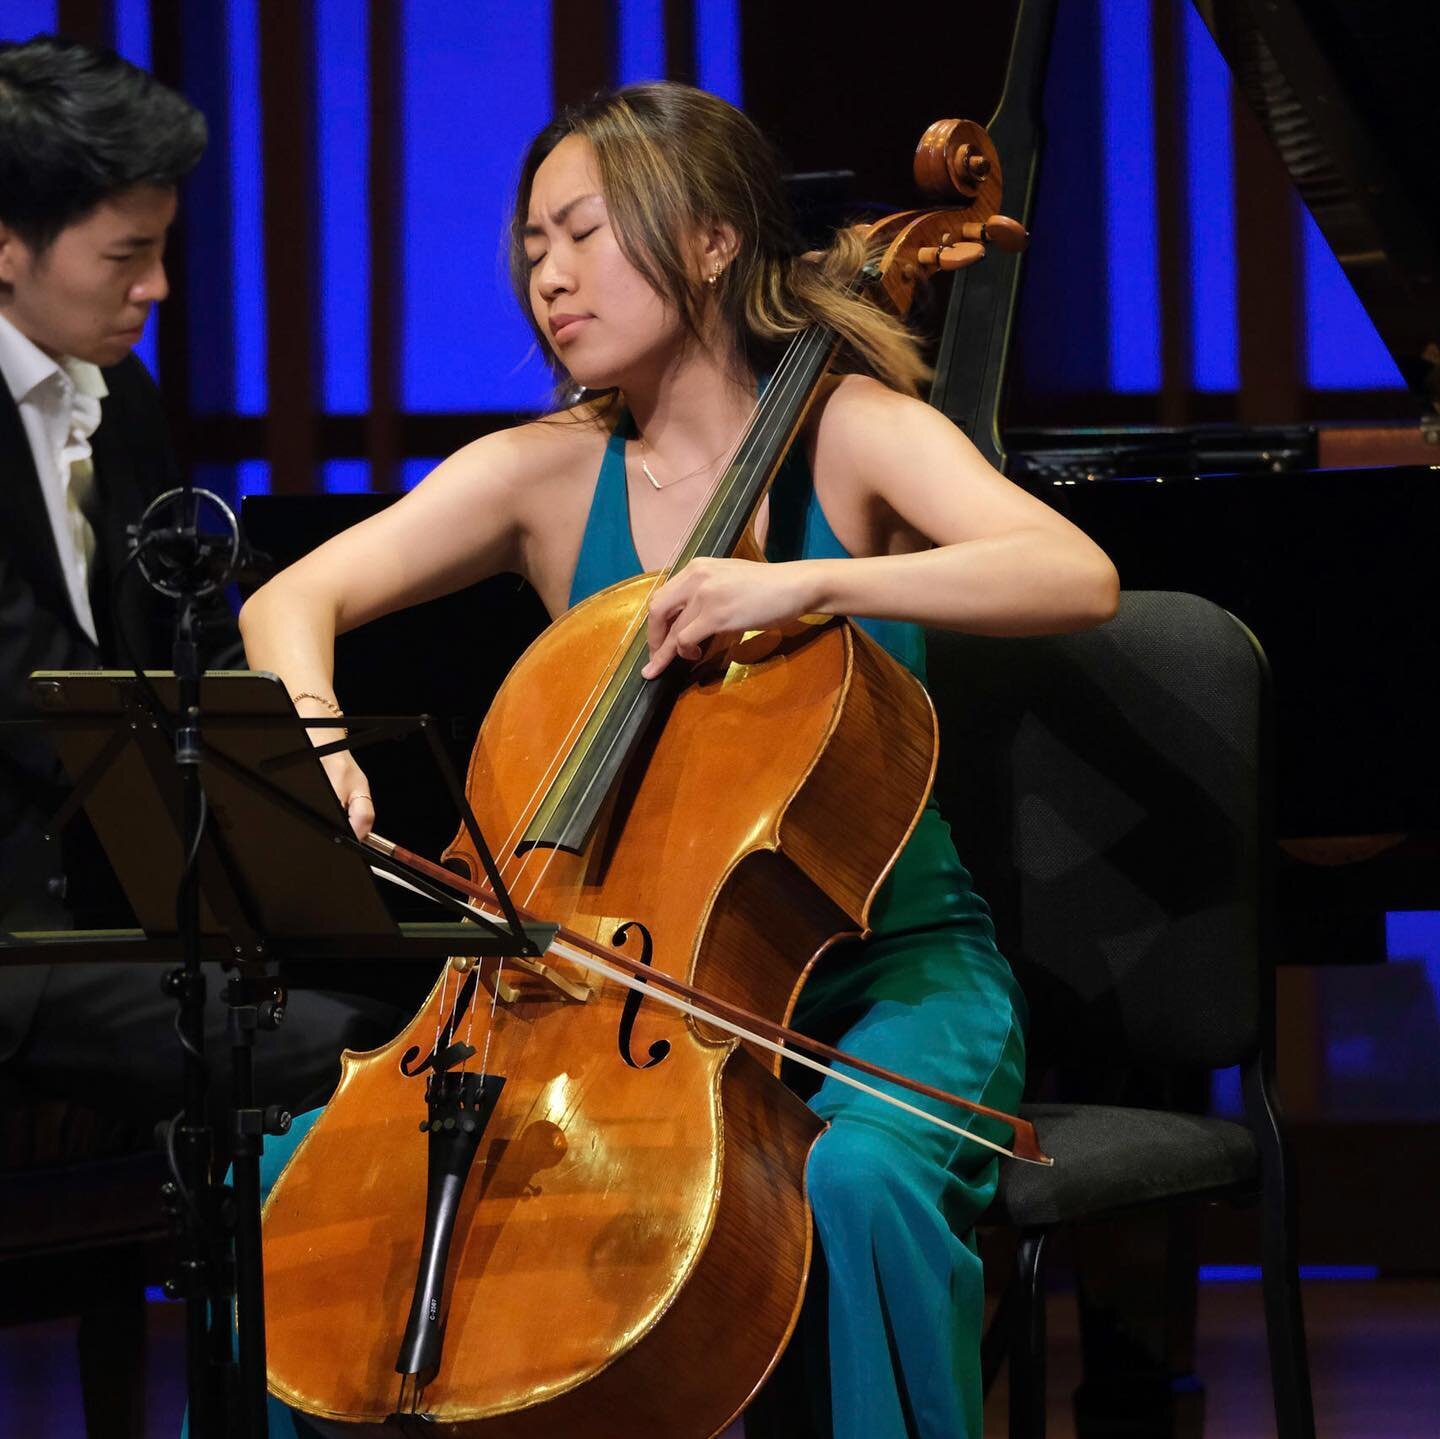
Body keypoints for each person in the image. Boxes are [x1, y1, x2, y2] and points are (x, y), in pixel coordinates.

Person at [237, 82, 1119, 1439]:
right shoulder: (540, 474)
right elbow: (286, 600)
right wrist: (319, 738)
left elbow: (1076, 574)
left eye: (581, 232)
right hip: (605, 983)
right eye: (531, 246)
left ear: (712, 241)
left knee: (865, 1183)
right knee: (303, 1190)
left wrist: (802, 581)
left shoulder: (857, 431)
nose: (549, 276)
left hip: (887, 966)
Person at [0, 36, 401, 1138]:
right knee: (359, 1056)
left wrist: (304, 768)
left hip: (116, 895)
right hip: (21, 926)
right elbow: (34, 694)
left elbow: (187, 629)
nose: (158, 288)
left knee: (422, 997)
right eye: (127, 254)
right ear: (6, 245)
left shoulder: (116, 388)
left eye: (164, 249)